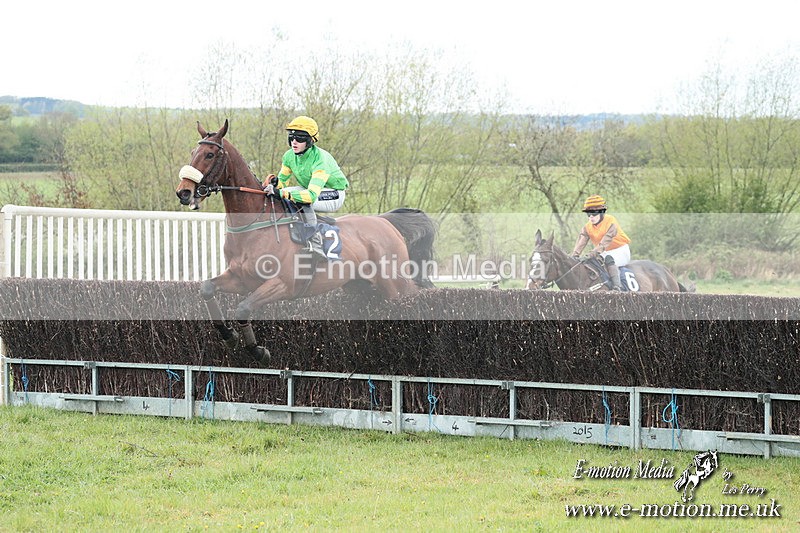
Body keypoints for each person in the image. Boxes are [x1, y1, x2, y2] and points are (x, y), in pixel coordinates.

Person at [266, 116, 349, 259]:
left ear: (310, 141)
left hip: (334, 193)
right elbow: (282, 184)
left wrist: (282, 192)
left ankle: (315, 241)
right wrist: (274, 184)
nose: (294, 142)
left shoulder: (320, 159)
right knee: (280, 195)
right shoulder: (289, 156)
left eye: (299, 138)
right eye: (291, 137)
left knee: (301, 199)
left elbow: (311, 196)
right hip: (311, 190)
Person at [571, 195, 631, 290]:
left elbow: (605, 242)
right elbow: (581, 242)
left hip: (620, 250)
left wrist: (592, 254)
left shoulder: (611, 221)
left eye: (594, 214)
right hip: (602, 252)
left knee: (608, 259)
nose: (591, 217)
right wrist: (574, 256)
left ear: (602, 212)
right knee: (591, 263)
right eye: (588, 214)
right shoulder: (587, 227)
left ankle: (617, 287)